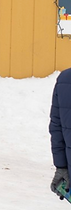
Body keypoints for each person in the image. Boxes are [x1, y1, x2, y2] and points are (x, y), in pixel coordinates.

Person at [51, 68, 71, 200]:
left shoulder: (65, 79)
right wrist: (61, 166)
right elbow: (57, 127)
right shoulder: (65, 80)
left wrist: (61, 165)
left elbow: (56, 128)